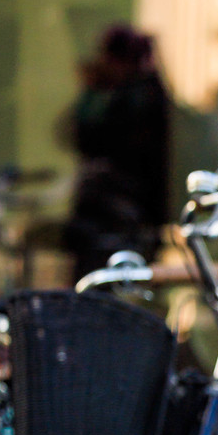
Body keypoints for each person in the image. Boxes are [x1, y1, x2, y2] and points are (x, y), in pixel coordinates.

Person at [62, 24, 171, 285]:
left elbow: (87, 133)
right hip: (112, 219)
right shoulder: (139, 92)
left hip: (122, 219)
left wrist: (94, 91)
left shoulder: (140, 97)